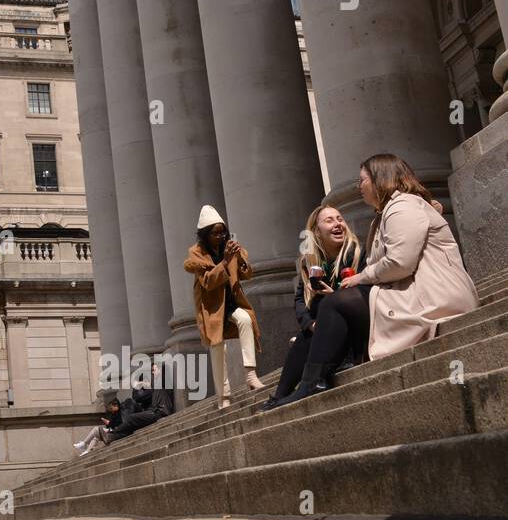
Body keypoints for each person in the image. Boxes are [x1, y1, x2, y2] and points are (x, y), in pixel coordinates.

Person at [270, 154, 478, 407]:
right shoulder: (390, 211)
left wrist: (359, 278)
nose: (359, 186)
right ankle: (301, 386)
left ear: (380, 179)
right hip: (409, 293)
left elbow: (400, 262)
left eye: (362, 180)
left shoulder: (403, 207)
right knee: (326, 314)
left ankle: (312, 383)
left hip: (434, 296)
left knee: (336, 304)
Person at [261, 206, 365, 410]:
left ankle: (309, 384)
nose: (337, 224)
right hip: (327, 331)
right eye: (329, 221)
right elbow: (299, 300)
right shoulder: (311, 264)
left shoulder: (357, 254)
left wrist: (334, 298)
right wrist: (311, 324)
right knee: (306, 336)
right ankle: (281, 394)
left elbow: (364, 295)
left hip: (356, 330)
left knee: (328, 305)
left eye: (339, 219)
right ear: (316, 232)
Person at [185, 205, 262, 408]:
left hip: (231, 302)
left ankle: (250, 374)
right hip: (211, 309)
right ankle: (223, 397)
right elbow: (208, 282)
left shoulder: (230, 245)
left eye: (222, 232)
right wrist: (225, 262)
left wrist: (239, 258)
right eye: (215, 233)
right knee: (218, 349)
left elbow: (247, 274)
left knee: (245, 319)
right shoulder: (196, 254)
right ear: (205, 235)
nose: (220, 236)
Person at [105, 367, 173, 442]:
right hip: (154, 411)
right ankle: (111, 435)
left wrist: (142, 382)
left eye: (154, 370)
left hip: (160, 412)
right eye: (152, 371)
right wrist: (141, 384)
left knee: (130, 418)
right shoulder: (152, 387)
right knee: (130, 417)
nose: (153, 373)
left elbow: (157, 379)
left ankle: (111, 433)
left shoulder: (161, 382)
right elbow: (137, 397)